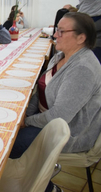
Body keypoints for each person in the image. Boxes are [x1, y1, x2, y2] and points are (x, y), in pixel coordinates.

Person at [10, 12, 101, 192]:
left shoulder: (82, 68)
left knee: (10, 145)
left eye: (61, 31)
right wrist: (26, 114)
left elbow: (60, 116)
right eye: (56, 29)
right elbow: (41, 89)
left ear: (81, 37)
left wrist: (26, 122)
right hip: (46, 119)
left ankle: (45, 187)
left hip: (69, 131)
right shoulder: (61, 56)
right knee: (10, 125)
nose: (54, 35)